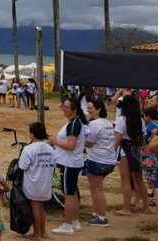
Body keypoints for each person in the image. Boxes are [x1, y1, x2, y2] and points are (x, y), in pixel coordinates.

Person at [50, 98, 87, 235]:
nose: (63, 109)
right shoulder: (73, 123)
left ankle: (67, 224)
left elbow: (70, 146)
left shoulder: (74, 125)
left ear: (74, 110)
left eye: (66, 107)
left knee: (69, 194)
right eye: (63, 106)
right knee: (73, 192)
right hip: (72, 162)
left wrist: (55, 141)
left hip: (68, 163)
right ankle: (75, 220)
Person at [19, 122, 55, 239]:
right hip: (46, 182)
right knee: (41, 208)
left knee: (35, 208)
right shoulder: (50, 148)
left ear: (33, 134)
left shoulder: (29, 149)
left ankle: (37, 234)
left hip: (33, 183)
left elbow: (22, 166)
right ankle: (43, 232)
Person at [84, 98, 117, 227]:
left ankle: (102, 217)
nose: (88, 110)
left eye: (91, 108)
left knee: (97, 189)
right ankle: (97, 212)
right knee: (95, 188)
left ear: (98, 109)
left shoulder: (94, 124)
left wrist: (79, 141)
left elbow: (89, 143)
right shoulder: (107, 123)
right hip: (109, 160)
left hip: (97, 160)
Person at [115, 95, 150, 214]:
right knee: (139, 179)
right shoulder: (140, 120)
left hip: (125, 150)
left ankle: (126, 208)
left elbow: (118, 139)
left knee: (125, 179)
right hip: (136, 149)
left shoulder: (121, 120)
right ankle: (146, 206)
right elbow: (143, 139)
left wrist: (110, 151)